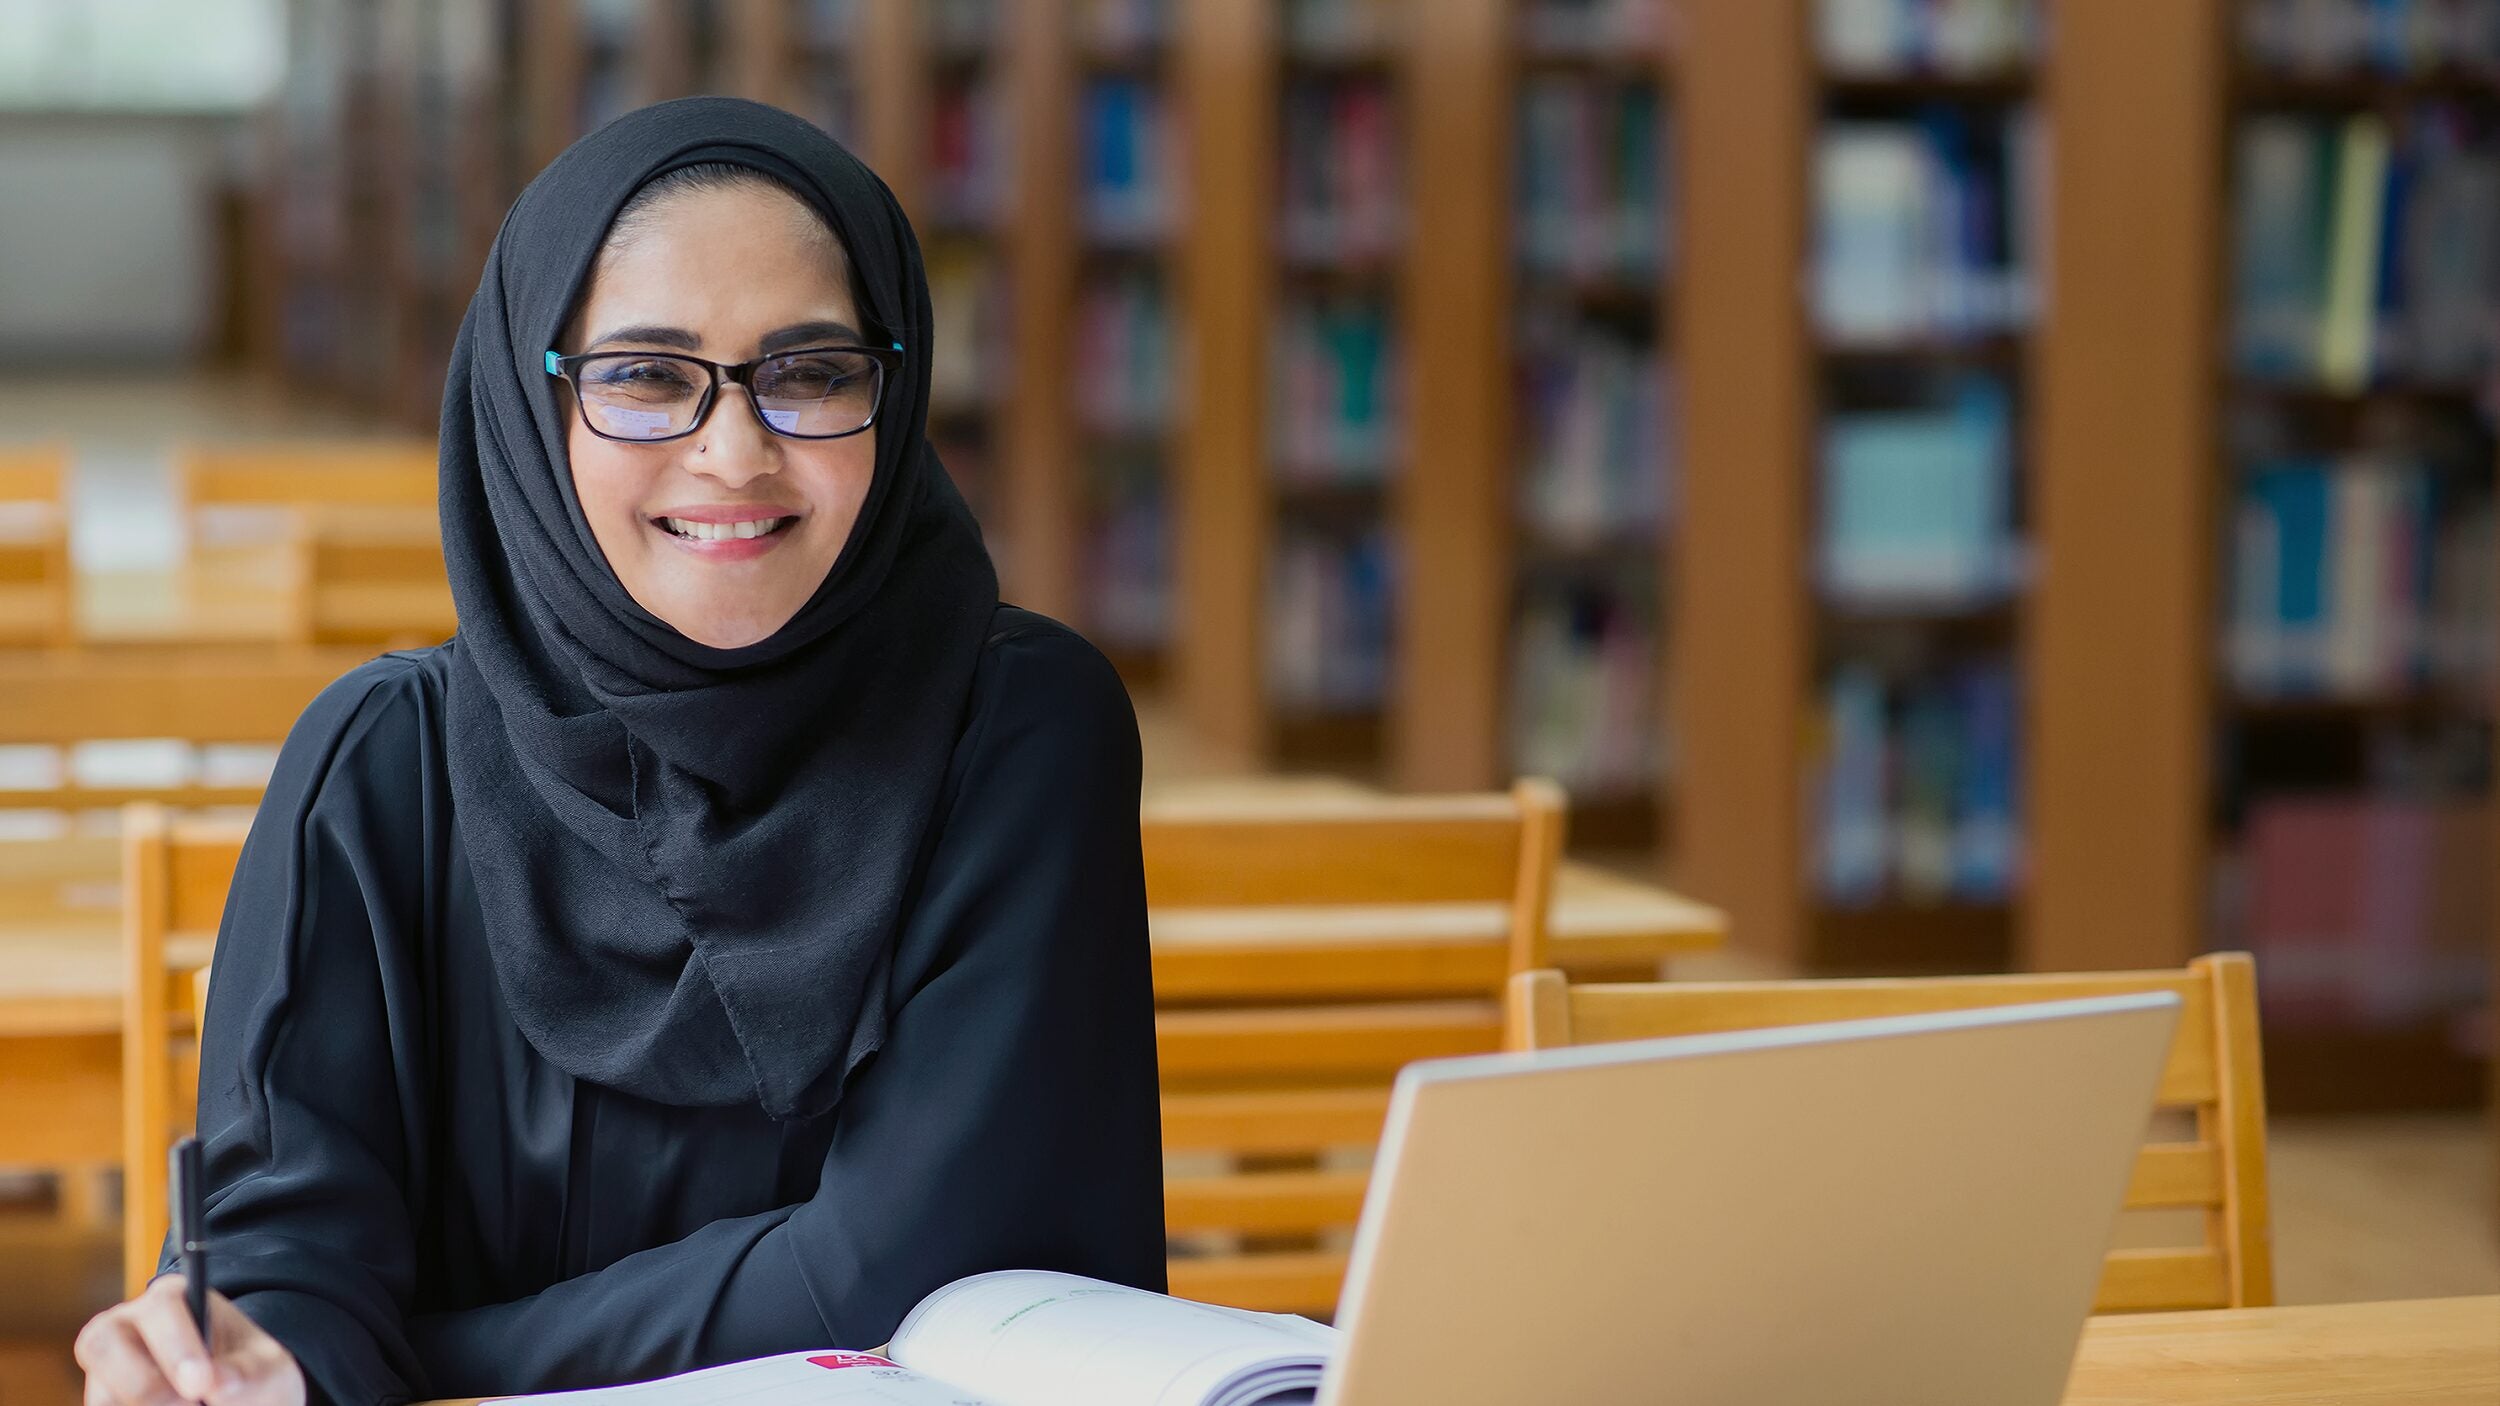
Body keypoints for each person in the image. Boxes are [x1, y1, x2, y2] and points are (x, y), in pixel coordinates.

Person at [73, 97, 1166, 1406]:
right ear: (534, 399)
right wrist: (260, 1353)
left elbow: (919, 1267)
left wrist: (421, 1357)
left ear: (900, 381)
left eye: (812, 371)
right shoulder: (380, 768)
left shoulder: (1017, 725)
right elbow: (284, 1257)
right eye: (646, 375)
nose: (734, 450)